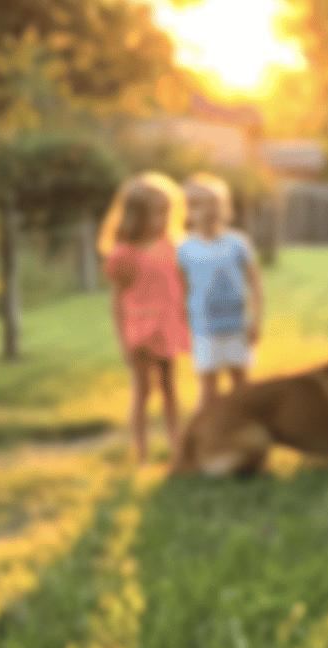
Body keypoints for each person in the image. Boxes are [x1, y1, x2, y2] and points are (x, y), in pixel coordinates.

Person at [98, 172, 189, 464]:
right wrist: (123, 341)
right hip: (141, 330)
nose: (161, 220)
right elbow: (117, 301)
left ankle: (178, 446)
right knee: (142, 391)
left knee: (170, 389)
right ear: (135, 216)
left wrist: (186, 319)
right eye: (155, 214)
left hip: (168, 327)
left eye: (165, 213)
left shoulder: (172, 248)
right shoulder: (124, 255)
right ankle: (141, 452)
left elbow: (181, 289)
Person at [178, 173, 264, 406]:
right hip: (205, 331)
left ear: (225, 207)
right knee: (208, 392)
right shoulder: (184, 248)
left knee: (242, 387)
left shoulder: (238, 242)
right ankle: (206, 439)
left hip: (237, 327)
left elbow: (255, 283)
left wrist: (256, 320)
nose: (208, 211)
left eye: (215, 204)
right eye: (199, 205)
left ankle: (244, 434)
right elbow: (181, 291)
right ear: (188, 210)